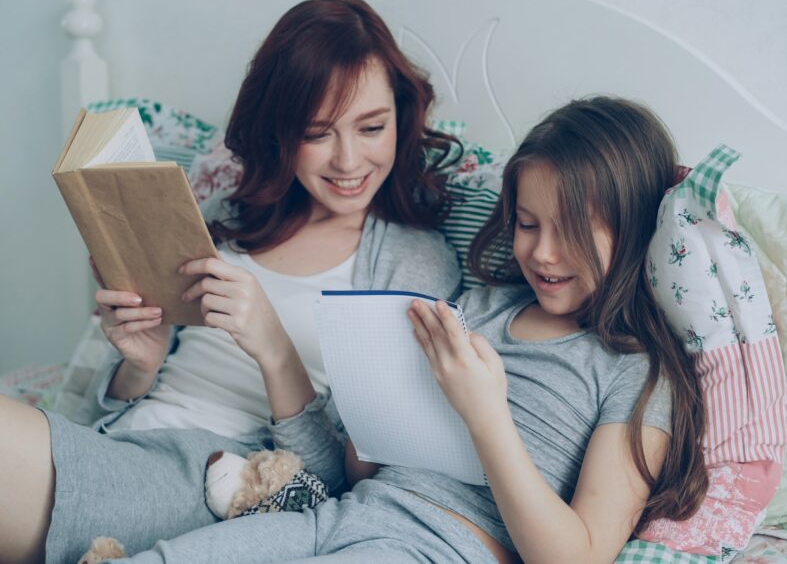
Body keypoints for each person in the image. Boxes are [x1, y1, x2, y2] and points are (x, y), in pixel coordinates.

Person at [111, 96, 710, 564]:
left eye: (574, 230)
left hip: (439, 547)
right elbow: (360, 473)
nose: (544, 254)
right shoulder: (480, 307)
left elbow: (574, 555)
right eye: (527, 224)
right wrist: (376, 399)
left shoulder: (636, 371)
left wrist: (485, 414)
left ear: (634, 229)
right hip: (339, 518)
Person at [0, 0, 463, 563]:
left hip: (217, 477)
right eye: (318, 133)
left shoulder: (413, 264)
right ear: (280, 133)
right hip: (123, 447)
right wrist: (139, 365)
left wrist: (274, 347)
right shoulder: (235, 215)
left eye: (371, 127)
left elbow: (338, 482)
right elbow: (112, 409)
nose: (348, 161)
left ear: (402, 114)